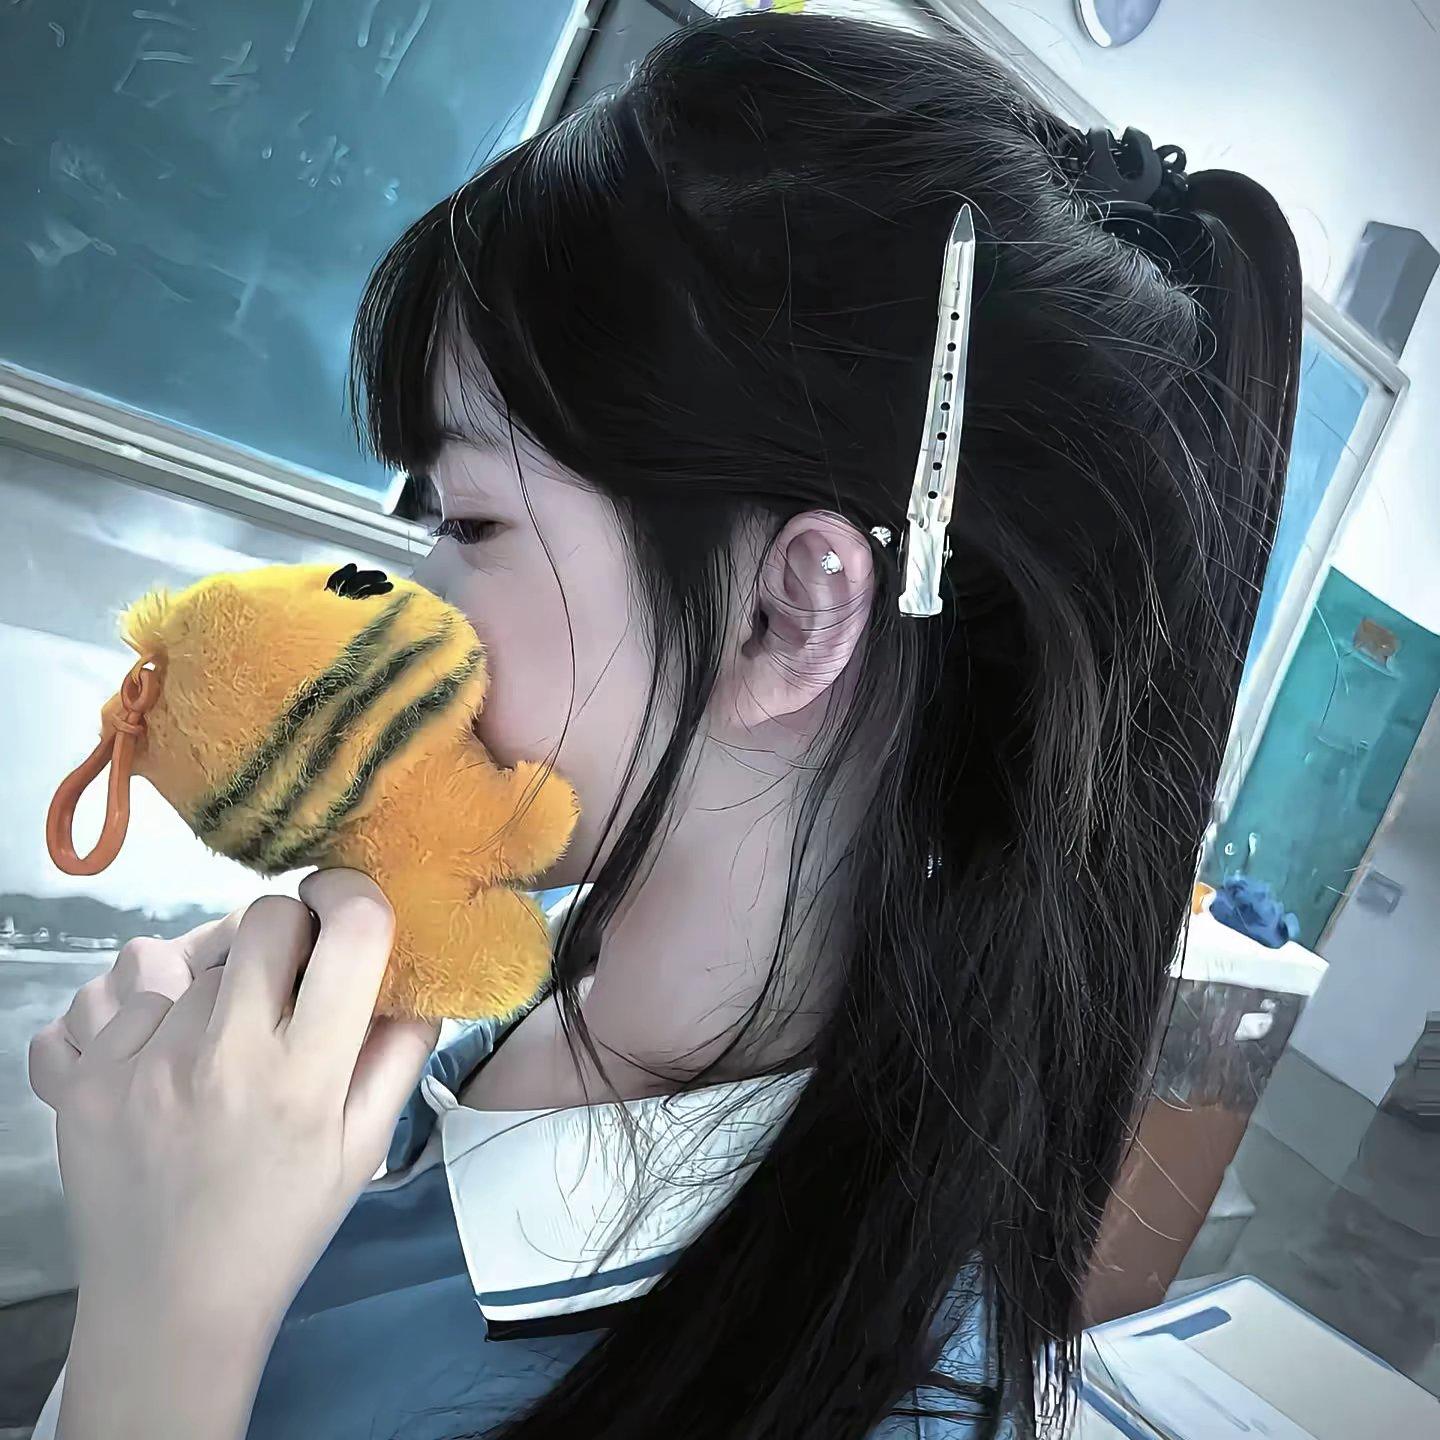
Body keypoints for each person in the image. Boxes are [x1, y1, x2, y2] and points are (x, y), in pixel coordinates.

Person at [27, 12, 1300, 1440]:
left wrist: (166, 1324)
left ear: (786, 614)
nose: (413, 608)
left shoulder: (888, 1406)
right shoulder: (507, 997)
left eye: (471, 522)